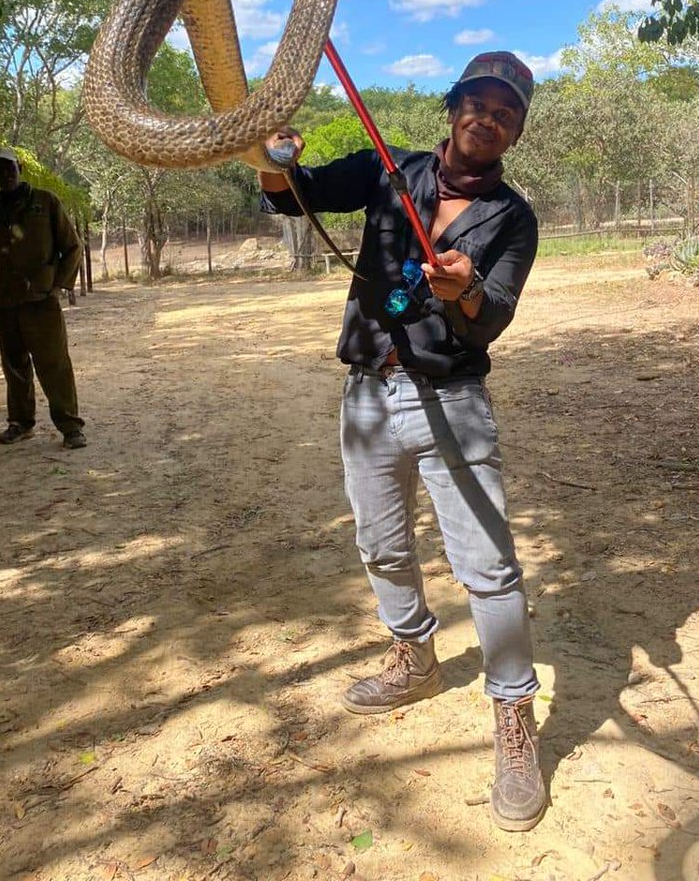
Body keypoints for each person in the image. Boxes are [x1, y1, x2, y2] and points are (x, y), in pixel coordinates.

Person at [259, 51, 544, 831]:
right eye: (477, 103)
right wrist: (275, 159)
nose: (488, 118)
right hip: (367, 396)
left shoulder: (512, 218)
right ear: (453, 108)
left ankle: (515, 719)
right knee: (381, 547)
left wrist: (467, 292)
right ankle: (414, 656)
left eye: (506, 112)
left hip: (452, 398)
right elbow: (297, 200)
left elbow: (496, 317)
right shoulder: (392, 171)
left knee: (487, 568)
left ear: (515, 132)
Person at [0, 147, 87, 449]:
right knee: (15, 366)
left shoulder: (46, 202)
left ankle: (70, 427)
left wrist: (58, 285)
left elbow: (72, 247)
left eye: (9, 167)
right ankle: (20, 424)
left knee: (54, 364)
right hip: (5, 302)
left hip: (41, 300)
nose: (5, 174)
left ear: (19, 167)